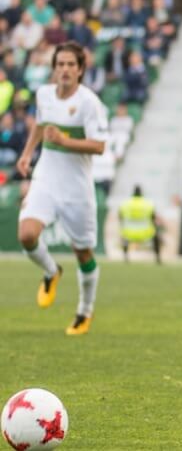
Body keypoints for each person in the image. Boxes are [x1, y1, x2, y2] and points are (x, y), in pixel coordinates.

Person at [16, 41, 109, 336]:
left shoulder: (89, 103)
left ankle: (84, 311)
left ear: (80, 70)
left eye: (71, 64)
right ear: (54, 69)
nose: (65, 70)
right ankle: (51, 271)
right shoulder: (44, 94)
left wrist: (65, 140)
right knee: (27, 234)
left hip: (77, 188)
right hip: (46, 178)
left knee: (83, 252)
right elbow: (41, 126)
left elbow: (100, 146)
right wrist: (27, 153)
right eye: (60, 64)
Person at [119, 185, 162, 264]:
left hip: (128, 233)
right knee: (156, 236)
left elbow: (120, 218)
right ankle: (158, 258)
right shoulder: (148, 203)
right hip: (145, 232)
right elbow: (153, 218)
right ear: (142, 193)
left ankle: (125, 257)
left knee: (123, 236)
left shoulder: (125, 203)